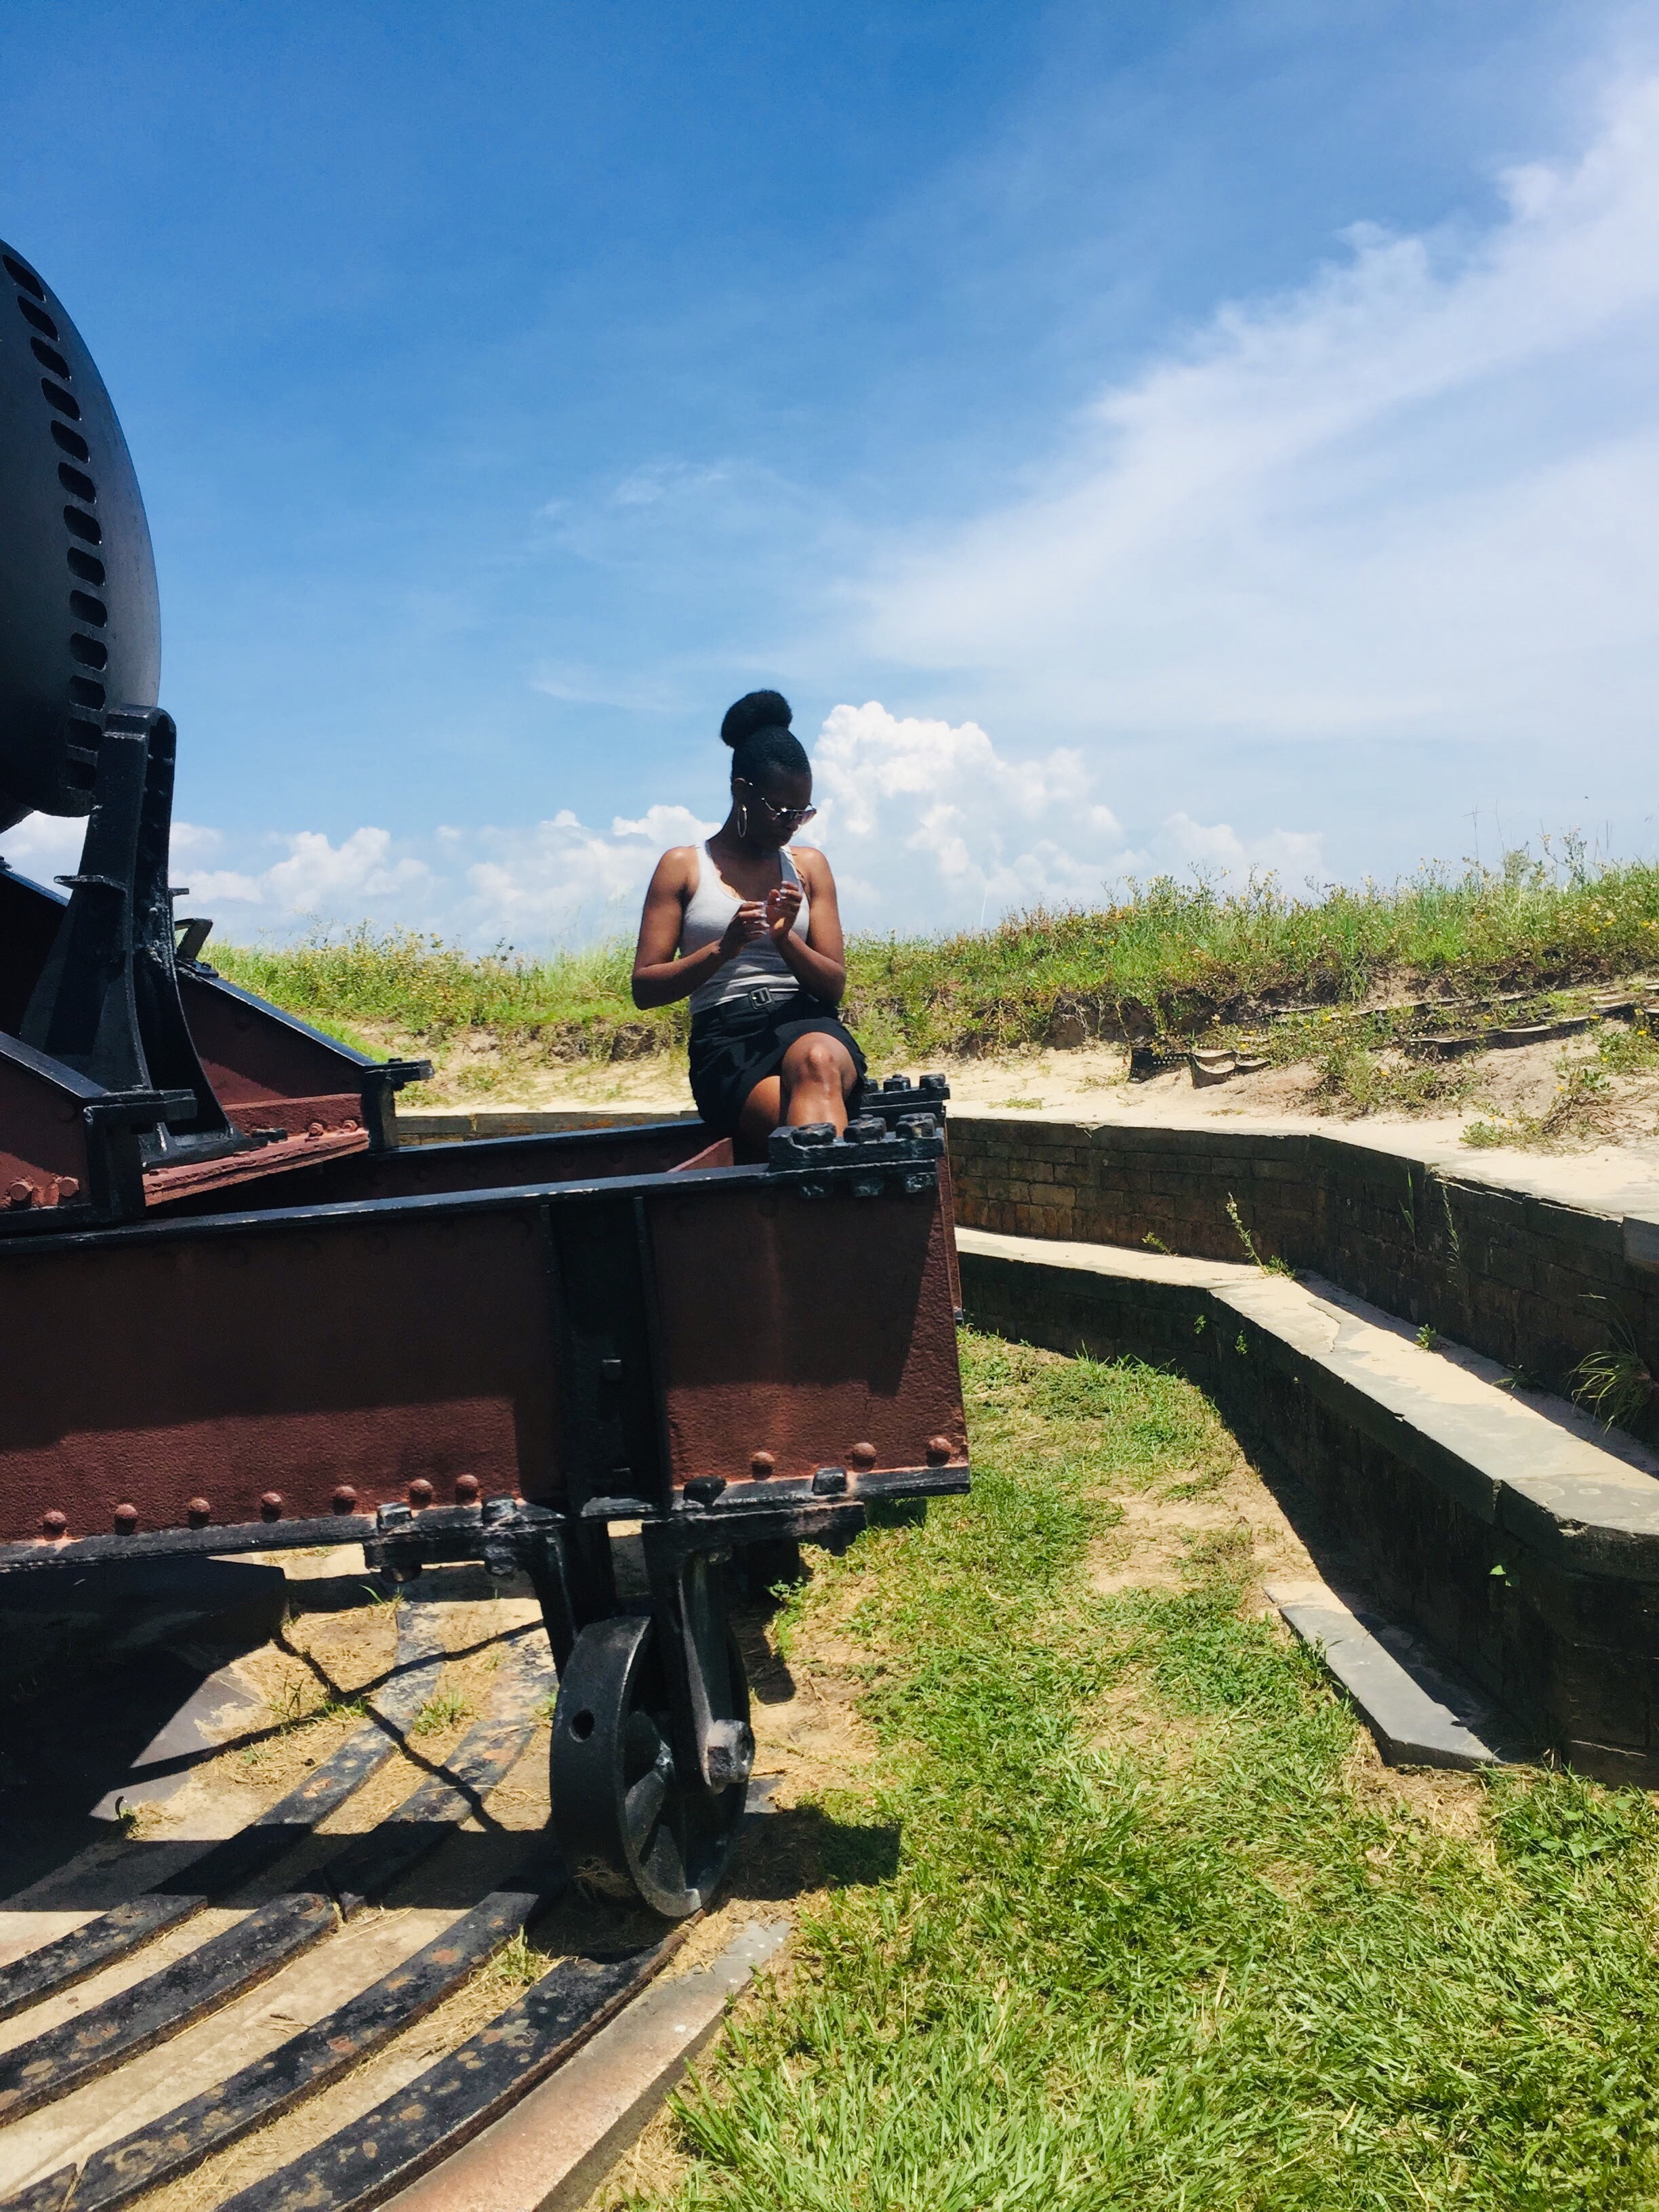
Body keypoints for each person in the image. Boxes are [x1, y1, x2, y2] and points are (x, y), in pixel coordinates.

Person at [632, 691, 865, 1154]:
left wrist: (785, 939)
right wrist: (724, 949)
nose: (792, 824)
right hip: (728, 1039)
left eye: (803, 812)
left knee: (817, 1061)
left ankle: (821, 1191)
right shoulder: (683, 867)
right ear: (741, 791)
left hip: (808, 1023)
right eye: (781, 811)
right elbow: (645, 989)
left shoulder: (809, 867)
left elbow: (834, 986)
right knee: (804, 1130)